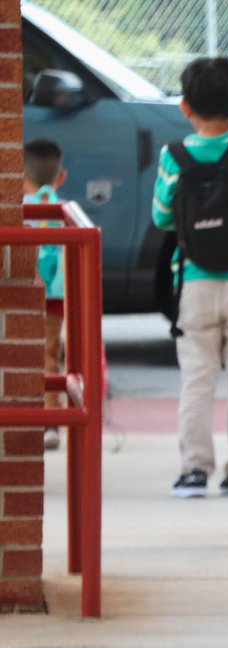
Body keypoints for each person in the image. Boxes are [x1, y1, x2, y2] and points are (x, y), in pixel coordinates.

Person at [152, 57, 228, 499]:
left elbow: (163, 217)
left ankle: (193, 472)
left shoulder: (174, 155)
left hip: (194, 283)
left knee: (197, 379)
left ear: (185, 107)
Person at [23, 138, 68, 452]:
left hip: (26, 292)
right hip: (56, 296)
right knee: (49, 354)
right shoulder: (66, 210)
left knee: (28, 354)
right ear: (61, 176)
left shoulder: (22, 210)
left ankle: (47, 419)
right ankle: (50, 417)